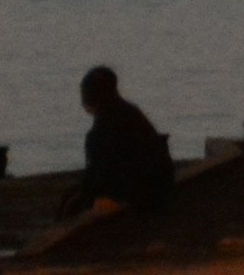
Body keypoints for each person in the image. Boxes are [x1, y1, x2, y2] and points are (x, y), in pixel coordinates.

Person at [61, 65, 177, 222]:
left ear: (87, 101)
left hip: (137, 198)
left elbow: (99, 179)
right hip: (160, 188)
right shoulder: (133, 113)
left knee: (73, 204)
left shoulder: (98, 134)